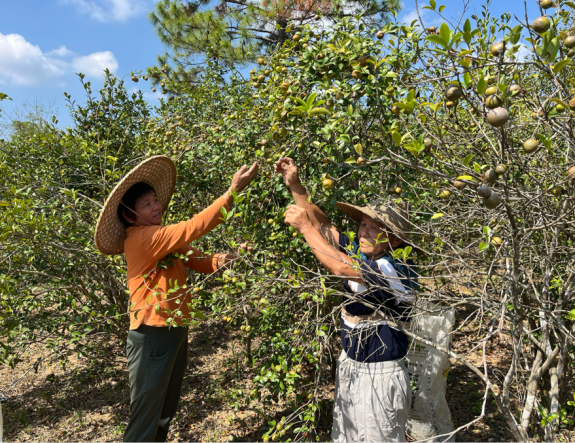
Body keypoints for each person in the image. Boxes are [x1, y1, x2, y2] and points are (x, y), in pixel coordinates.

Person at [94, 155, 258, 443]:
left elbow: (201, 261)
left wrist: (233, 257)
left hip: (174, 331)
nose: (156, 206)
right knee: (145, 417)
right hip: (151, 334)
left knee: (164, 411)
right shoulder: (143, 238)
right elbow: (194, 226)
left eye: (155, 200)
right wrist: (232, 192)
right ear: (130, 216)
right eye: (146, 204)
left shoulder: (162, 239)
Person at [275, 157, 420, 443]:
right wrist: (295, 185)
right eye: (363, 224)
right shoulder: (365, 253)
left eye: (374, 227)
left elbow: (339, 266)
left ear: (396, 239)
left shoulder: (394, 267)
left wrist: (305, 230)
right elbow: (325, 224)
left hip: (380, 373)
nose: (364, 231)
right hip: (352, 364)